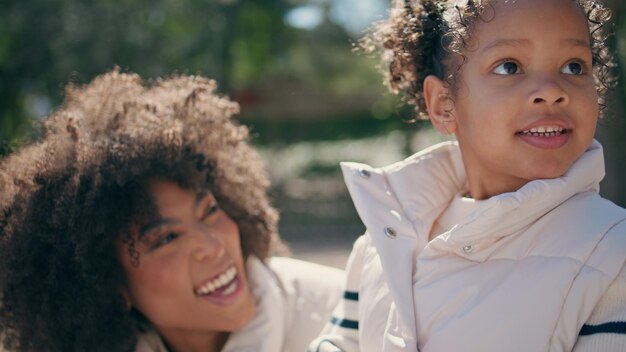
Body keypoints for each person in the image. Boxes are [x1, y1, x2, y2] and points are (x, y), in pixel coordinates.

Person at [308, 0, 626, 351]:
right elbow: (340, 342)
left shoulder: (613, 253)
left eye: (574, 66)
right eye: (509, 67)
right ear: (444, 105)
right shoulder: (384, 237)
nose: (552, 90)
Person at [0, 70, 344, 352]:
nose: (212, 246)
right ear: (109, 284)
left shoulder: (349, 319)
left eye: (210, 210)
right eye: (166, 238)